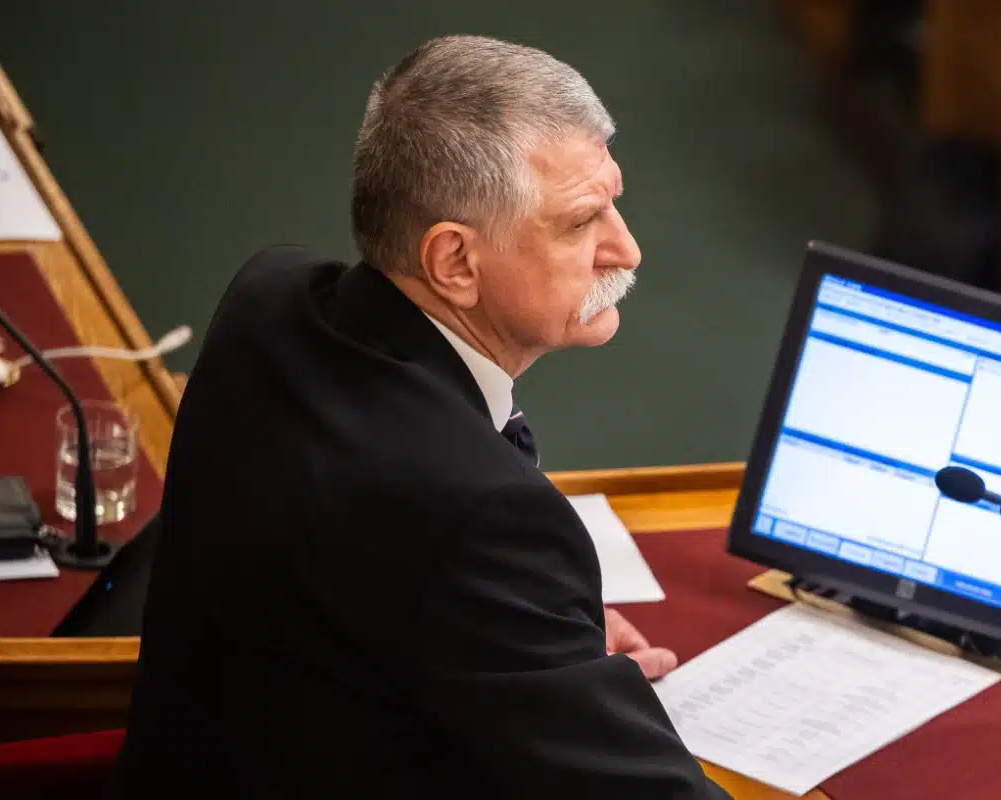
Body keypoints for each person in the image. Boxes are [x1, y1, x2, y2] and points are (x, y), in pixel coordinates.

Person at [108, 35, 729, 799]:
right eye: (579, 224)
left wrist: (519, 626)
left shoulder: (271, 298)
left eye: (615, 201)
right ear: (454, 263)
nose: (626, 250)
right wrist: (508, 606)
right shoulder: (480, 515)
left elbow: (368, 567)